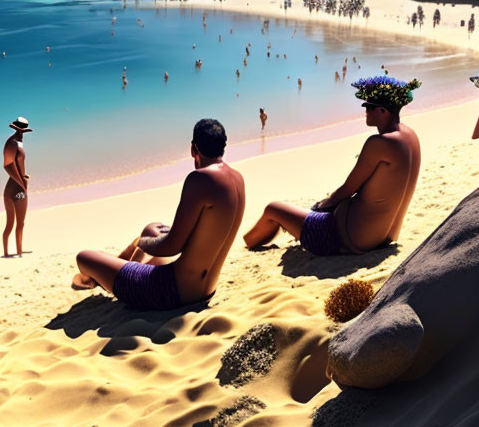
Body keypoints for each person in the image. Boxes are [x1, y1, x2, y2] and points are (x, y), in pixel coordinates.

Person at [73, 119, 245, 309]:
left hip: (170, 291)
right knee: (153, 228)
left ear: (193, 149)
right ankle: (116, 267)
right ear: (223, 147)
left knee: (84, 257)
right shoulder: (237, 178)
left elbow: (171, 247)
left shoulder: (200, 178)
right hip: (205, 289)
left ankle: (93, 279)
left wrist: (142, 243)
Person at [244, 77, 422, 255]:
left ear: (383, 110)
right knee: (311, 209)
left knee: (273, 209)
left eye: (368, 107)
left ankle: (248, 246)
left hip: (351, 238)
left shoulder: (380, 143)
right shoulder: (410, 136)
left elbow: (348, 189)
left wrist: (320, 207)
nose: (365, 112)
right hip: (385, 237)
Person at [2, 117, 32, 257]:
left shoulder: (17, 142)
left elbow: (16, 164)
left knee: (20, 222)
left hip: (18, 185)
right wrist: (21, 181)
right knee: (11, 223)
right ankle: (7, 252)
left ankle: (19, 250)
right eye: (21, 131)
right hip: (16, 188)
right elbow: (8, 165)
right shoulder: (13, 142)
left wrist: (23, 176)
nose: (22, 133)